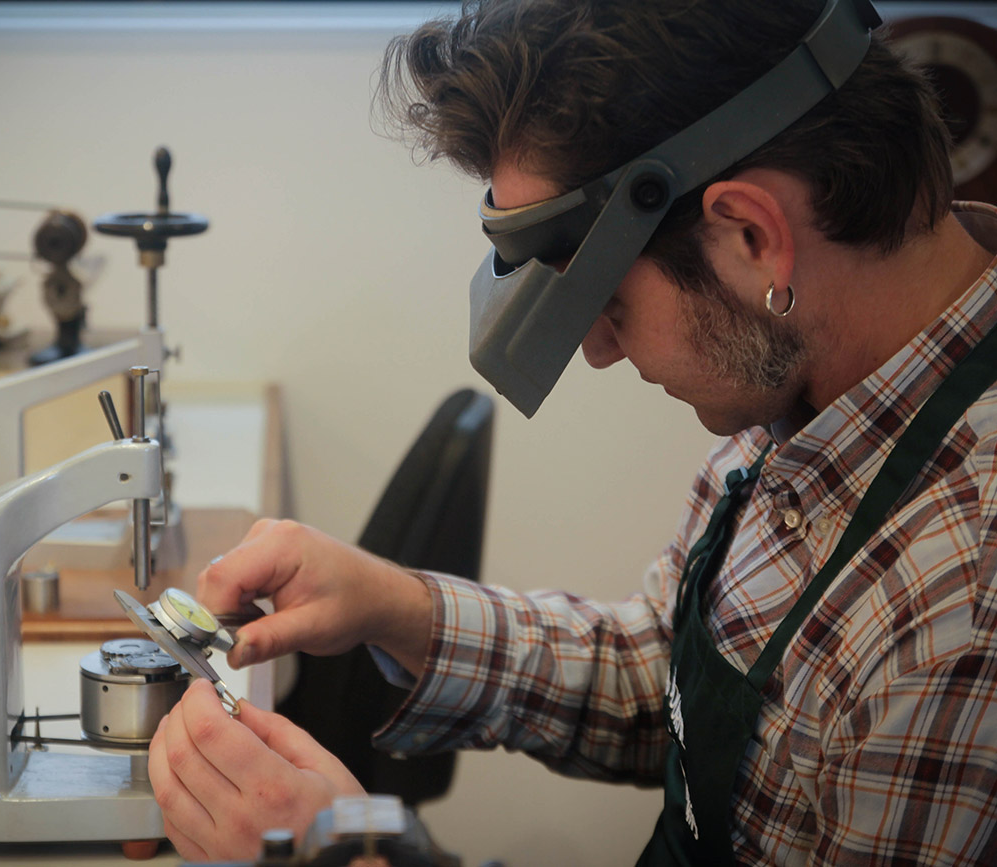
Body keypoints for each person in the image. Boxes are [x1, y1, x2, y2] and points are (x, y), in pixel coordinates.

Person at [146, 0, 997, 863]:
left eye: (607, 302)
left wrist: (351, 856)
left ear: (751, 236)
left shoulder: (960, 612)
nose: (595, 351)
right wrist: (394, 605)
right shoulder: (807, 396)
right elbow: (661, 679)